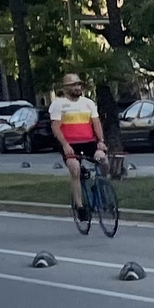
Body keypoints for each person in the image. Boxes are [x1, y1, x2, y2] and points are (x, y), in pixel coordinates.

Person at [49, 74, 110, 216]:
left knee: (103, 161)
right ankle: (80, 206)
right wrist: (64, 145)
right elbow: (56, 127)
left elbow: (96, 123)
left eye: (79, 85)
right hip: (70, 143)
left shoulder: (88, 103)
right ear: (65, 88)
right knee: (75, 169)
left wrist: (101, 141)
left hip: (88, 142)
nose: (77, 88)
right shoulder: (58, 104)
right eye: (73, 85)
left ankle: (101, 186)